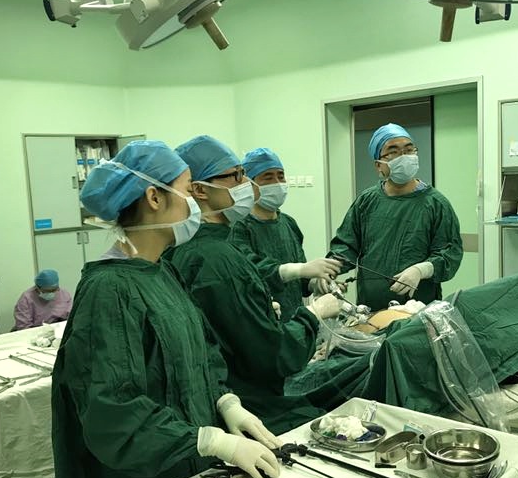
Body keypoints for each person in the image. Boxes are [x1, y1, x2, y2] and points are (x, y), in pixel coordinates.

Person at [51, 140, 280, 478]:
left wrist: (225, 402)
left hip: (185, 470)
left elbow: (201, 349)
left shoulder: (161, 271)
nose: (195, 203)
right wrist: (211, 442)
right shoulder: (110, 290)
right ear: (154, 198)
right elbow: (113, 411)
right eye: (188, 189)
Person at [166, 135, 341, 434]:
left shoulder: (196, 247)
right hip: (248, 404)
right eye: (236, 176)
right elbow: (274, 356)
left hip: (225, 392)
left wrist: (262, 308)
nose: (247, 184)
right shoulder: (216, 258)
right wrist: (314, 315)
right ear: (199, 190)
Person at [326, 123, 463, 311]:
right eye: (393, 151)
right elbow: (346, 246)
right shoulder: (367, 201)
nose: (404, 156)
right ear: (379, 165)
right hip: (370, 308)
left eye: (409, 150)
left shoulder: (436, 204)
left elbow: (449, 253)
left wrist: (421, 270)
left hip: (417, 308)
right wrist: (327, 272)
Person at [229, 147, 341, 320]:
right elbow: (250, 272)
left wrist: (315, 283)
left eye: (280, 176)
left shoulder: (289, 223)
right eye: (268, 177)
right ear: (249, 184)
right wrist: (299, 269)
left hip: (297, 320)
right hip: (263, 320)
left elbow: (300, 280)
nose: (277, 183)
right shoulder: (238, 227)